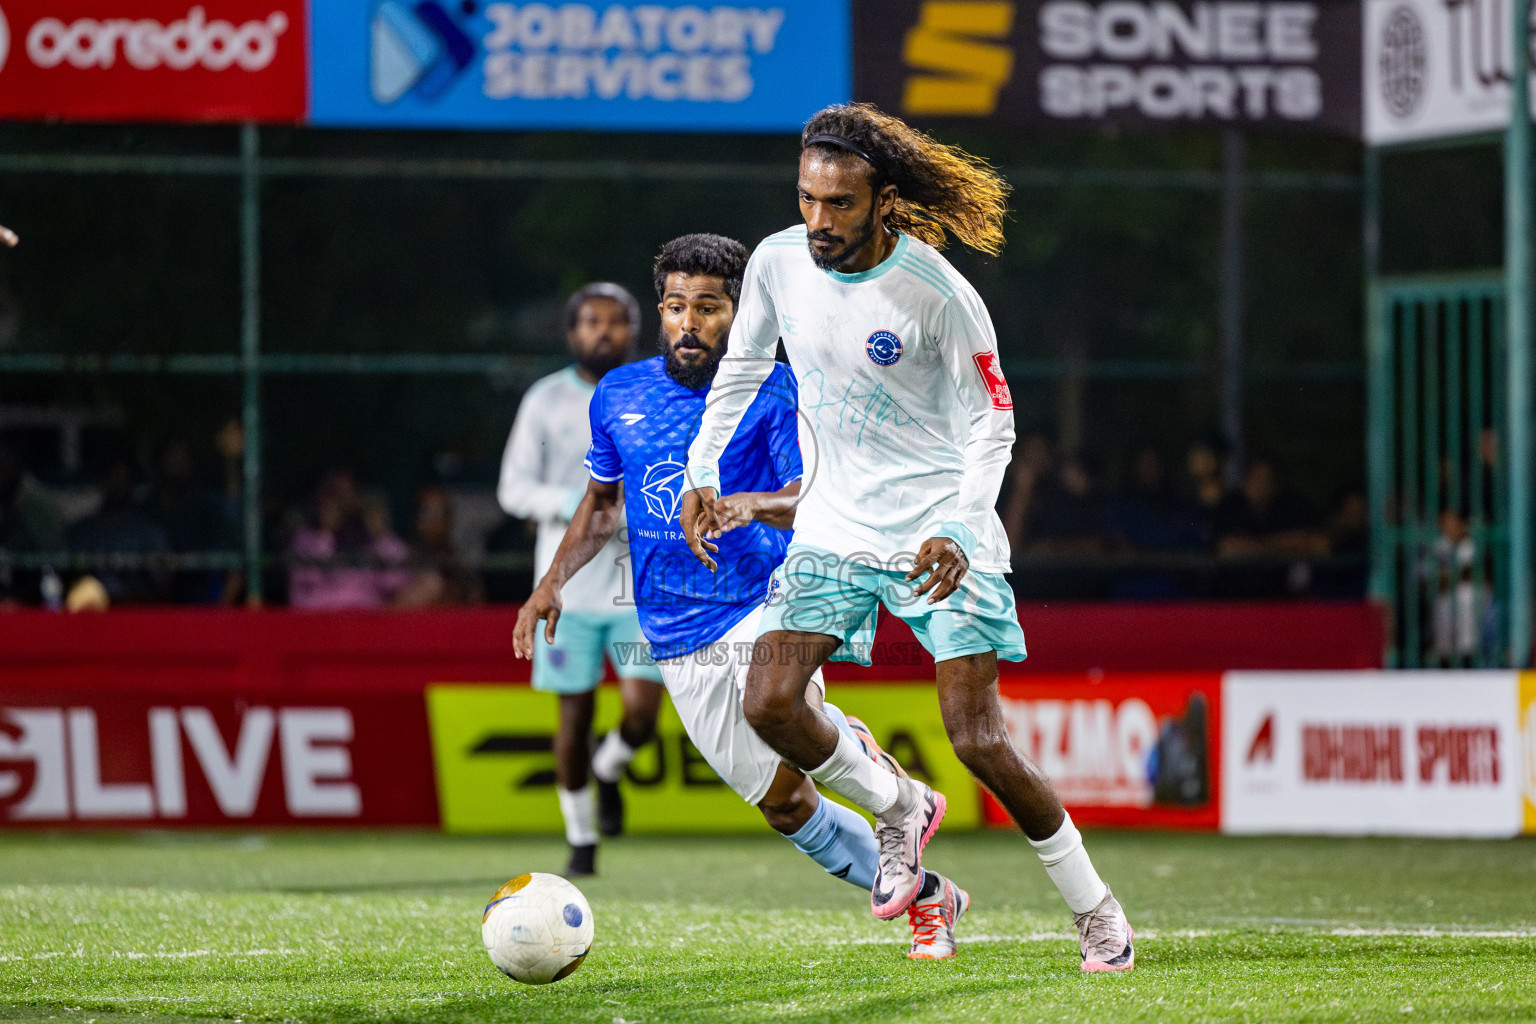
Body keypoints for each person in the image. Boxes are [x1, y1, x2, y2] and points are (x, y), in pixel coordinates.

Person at [679, 104, 1134, 971]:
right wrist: (704, 471)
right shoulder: (777, 261)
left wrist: (964, 525)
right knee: (770, 704)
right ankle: (898, 804)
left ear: (882, 199)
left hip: (938, 534)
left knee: (979, 742)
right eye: (808, 200)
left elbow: (992, 424)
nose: (819, 221)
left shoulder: (939, 295)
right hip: (836, 526)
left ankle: (1096, 909)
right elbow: (742, 368)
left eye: (839, 204)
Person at [515, 234, 968, 960]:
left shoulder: (776, 388)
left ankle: (903, 804)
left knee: (774, 704)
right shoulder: (619, 394)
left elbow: (812, 494)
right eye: (675, 306)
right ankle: (933, 895)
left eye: (709, 307)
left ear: (740, 310)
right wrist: (550, 583)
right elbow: (603, 502)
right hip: (671, 628)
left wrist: (748, 505)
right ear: (659, 311)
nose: (690, 323)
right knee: (786, 805)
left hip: (768, 595)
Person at [498, 283, 665, 877]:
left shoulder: (657, 391)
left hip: (636, 585)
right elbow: (512, 489)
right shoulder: (545, 401)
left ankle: (610, 768)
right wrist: (585, 505)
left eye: (616, 322)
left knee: (642, 716)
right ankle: (582, 840)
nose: (603, 332)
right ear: (572, 332)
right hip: (566, 588)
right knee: (572, 720)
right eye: (591, 322)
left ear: (634, 329)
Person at [287, 469, 412, 609]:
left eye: (347, 495)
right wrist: (325, 533)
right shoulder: (304, 537)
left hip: (366, 620)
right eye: (335, 495)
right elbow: (307, 579)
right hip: (319, 619)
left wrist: (380, 536)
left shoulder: (369, 538)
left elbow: (396, 582)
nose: (342, 503)